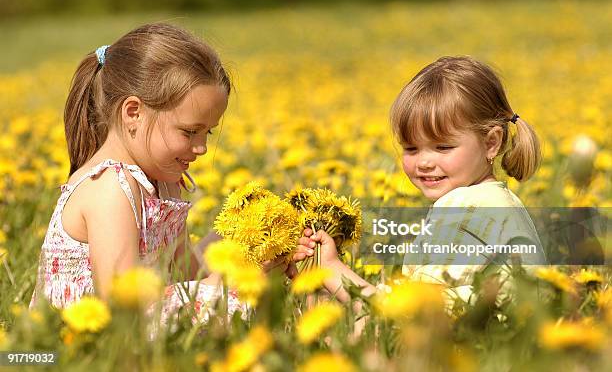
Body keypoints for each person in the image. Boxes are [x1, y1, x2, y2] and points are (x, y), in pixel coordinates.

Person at [29, 23, 288, 318]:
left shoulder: (163, 181)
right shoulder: (110, 189)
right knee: (242, 301)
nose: (201, 147)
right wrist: (226, 285)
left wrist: (242, 242)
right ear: (133, 113)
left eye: (208, 134)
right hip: (85, 344)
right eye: (190, 132)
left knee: (259, 292)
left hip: (149, 323)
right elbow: (123, 308)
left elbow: (184, 269)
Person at [296, 55, 546, 307]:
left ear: (491, 142)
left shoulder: (470, 207)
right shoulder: (493, 200)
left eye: (443, 147)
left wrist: (330, 267)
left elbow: (413, 311)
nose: (424, 162)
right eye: (412, 149)